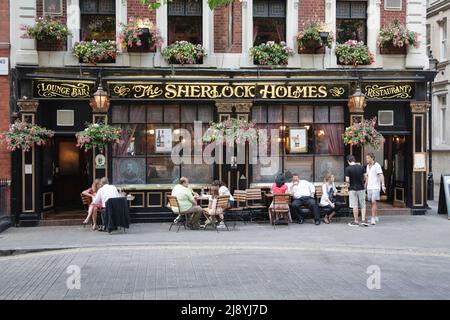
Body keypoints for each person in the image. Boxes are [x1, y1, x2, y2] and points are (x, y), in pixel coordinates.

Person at [345, 155, 368, 227]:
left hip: (352, 189)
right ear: (354, 160)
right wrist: (365, 185)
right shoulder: (361, 167)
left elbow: (347, 181)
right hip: (361, 188)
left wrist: (346, 186)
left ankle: (356, 221)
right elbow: (366, 177)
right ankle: (363, 221)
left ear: (348, 161)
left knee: (355, 206)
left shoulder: (348, 168)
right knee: (363, 205)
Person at [366, 153, 386, 225]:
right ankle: (376, 216)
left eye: (368, 158)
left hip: (375, 187)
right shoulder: (368, 166)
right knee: (371, 202)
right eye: (366, 158)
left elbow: (381, 175)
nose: (367, 159)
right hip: (369, 187)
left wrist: (383, 185)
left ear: (372, 158)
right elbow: (367, 176)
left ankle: (373, 218)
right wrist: (365, 185)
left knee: (373, 201)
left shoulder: (377, 165)